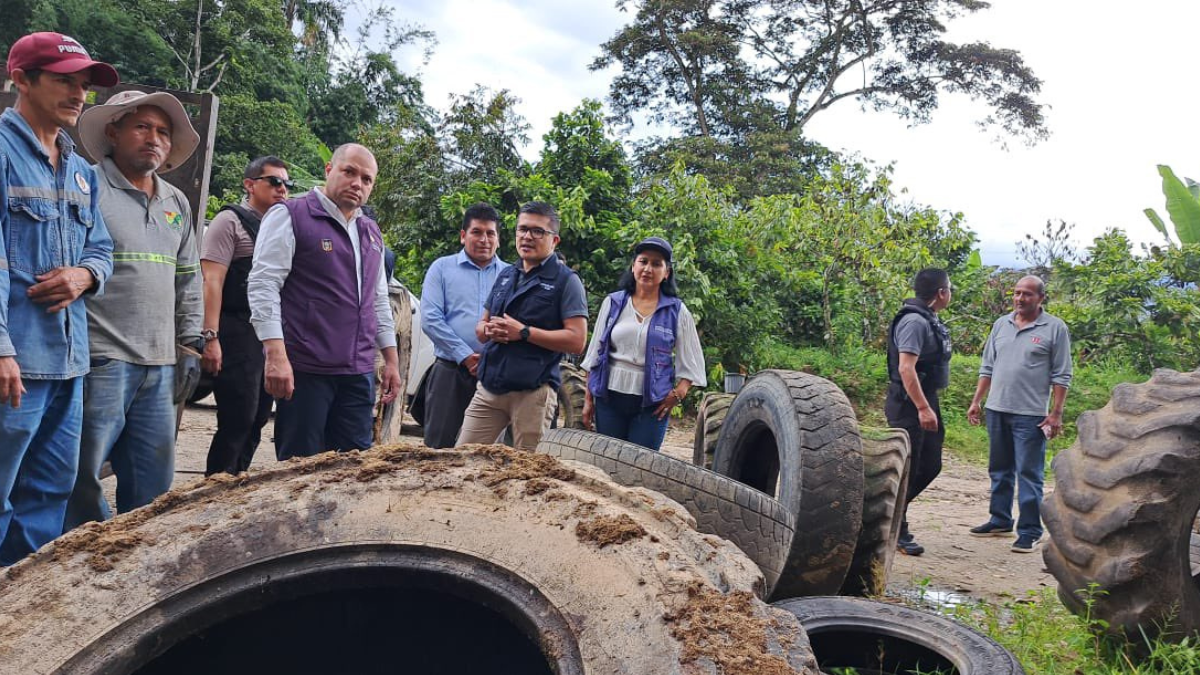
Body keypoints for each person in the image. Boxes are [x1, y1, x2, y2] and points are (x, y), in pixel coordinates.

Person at [0, 33, 116, 561]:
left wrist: (85, 276)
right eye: (64, 80)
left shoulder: (79, 168)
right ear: (21, 79)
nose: (79, 94)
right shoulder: (3, 154)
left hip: (69, 364)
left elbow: (102, 248)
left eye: (84, 84)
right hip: (16, 363)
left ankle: (20, 618)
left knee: (48, 495)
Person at [64, 89, 203, 529]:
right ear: (113, 132)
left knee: (153, 481)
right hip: (100, 358)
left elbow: (188, 276)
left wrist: (191, 341)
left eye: (163, 132)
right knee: (79, 471)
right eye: (142, 127)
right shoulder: (84, 185)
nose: (154, 139)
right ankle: (84, 549)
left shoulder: (175, 203)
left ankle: (135, 553)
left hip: (160, 364)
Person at [248, 143, 401, 459]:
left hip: (357, 372)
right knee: (300, 469)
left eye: (367, 179)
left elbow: (378, 300)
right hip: (306, 368)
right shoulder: (291, 215)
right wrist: (275, 355)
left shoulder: (370, 231)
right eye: (349, 172)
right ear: (329, 170)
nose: (357, 183)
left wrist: (391, 359)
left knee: (353, 469)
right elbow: (263, 286)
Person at [455, 202, 587, 450]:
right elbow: (481, 327)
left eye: (537, 231)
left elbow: (577, 340)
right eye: (522, 229)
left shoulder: (566, 281)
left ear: (554, 241)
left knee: (526, 473)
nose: (527, 236)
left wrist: (524, 333)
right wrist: (487, 330)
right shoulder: (506, 275)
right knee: (463, 457)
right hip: (490, 387)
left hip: (533, 392)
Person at [200, 156, 292, 475]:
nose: (283, 189)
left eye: (287, 184)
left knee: (258, 417)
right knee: (237, 416)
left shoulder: (282, 225)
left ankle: (235, 483)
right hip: (234, 328)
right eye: (274, 182)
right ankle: (214, 490)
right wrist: (210, 337)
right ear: (250, 185)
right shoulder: (231, 221)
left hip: (264, 333)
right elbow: (212, 280)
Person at [967, 275, 1072, 553]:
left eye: (1027, 294)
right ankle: (1000, 520)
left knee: (1029, 473)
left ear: (1041, 298)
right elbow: (987, 367)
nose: (1020, 299)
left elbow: (1062, 374)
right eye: (1016, 293)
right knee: (999, 470)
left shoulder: (1054, 328)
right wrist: (977, 401)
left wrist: (1056, 413)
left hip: (1031, 415)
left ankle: (1029, 530)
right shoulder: (1001, 324)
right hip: (997, 408)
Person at [580, 237, 706, 450]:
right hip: (609, 398)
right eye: (643, 261)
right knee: (608, 463)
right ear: (633, 266)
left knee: (642, 466)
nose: (648, 268)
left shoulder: (676, 311)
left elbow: (692, 362)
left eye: (656, 264)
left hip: (653, 404)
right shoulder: (613, 303)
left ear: (667, 273)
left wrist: (677, 394)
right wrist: (588, 400)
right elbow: (594, 355)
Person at [419, 203, 509, 448]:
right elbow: (430, 319)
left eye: (490, 233)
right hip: (450, 372)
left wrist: (488, 357)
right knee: (438, 450)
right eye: (477, 232)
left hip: (494, 375)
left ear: (498, 239)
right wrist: (466, 356)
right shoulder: (442, 268)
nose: (484, 239)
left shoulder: (511, 275)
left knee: (487, 454)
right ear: (463, 236)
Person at [884, 268, 953, 557]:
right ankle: (893, 526)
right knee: (909, 468)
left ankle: (890, 517)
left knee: (929, 464)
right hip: (909, 404)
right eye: (949, 288)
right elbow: (905, 367)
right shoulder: (914, 321)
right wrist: (922, 407)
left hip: (924, 400)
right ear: (941, 293)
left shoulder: (929, 318)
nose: (950, 293)